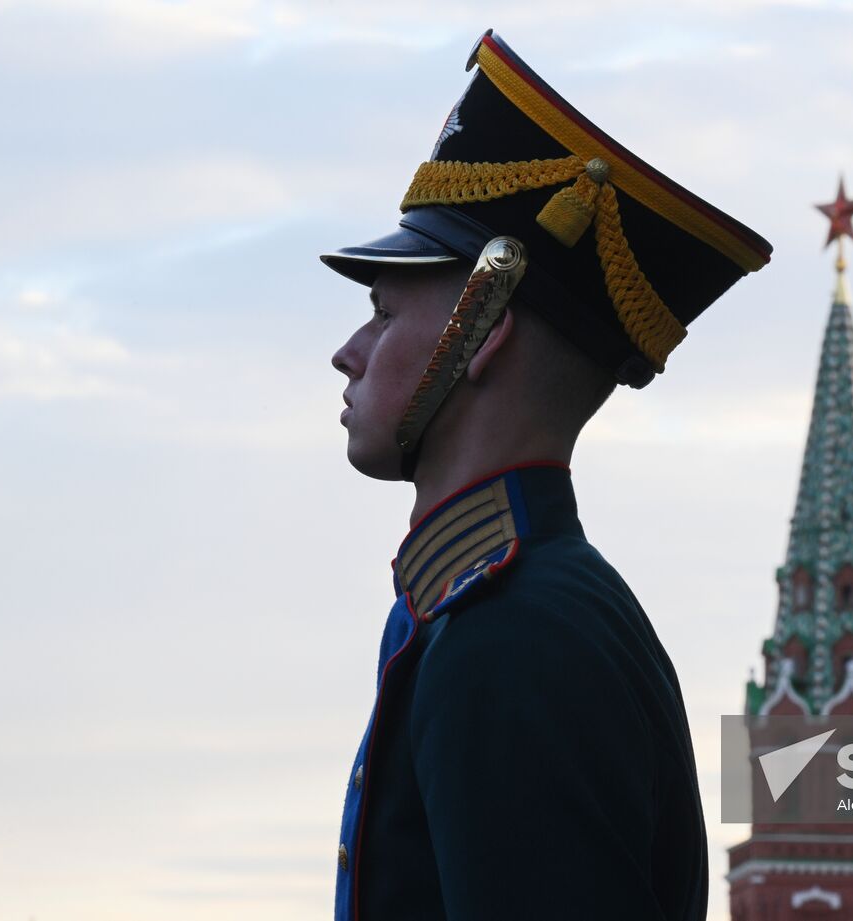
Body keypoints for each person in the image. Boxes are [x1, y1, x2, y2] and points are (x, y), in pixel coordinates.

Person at [318, 30, 773, 921]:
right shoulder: (507, 611)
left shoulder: (513, 636)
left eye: (382, 312)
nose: (348, 351)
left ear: (482, 331)